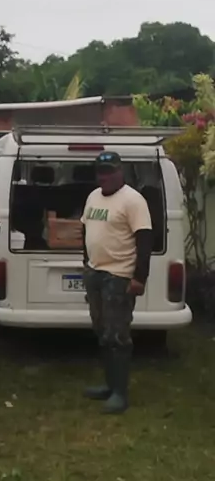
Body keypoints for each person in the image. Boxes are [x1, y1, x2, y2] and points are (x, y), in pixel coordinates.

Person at [81, 151, 153, 415]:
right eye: (101, 171)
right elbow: (85, 229)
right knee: (102, 331)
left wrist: (139, 277)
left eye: (110, 171)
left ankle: (120, 394)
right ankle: (109, 385)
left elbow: (145, 240)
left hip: (119, 276)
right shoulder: (93, 196)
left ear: (120, 171)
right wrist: (86, 261)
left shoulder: (133, 200)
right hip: (95, 273)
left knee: (118, 336)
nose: (105, 176)